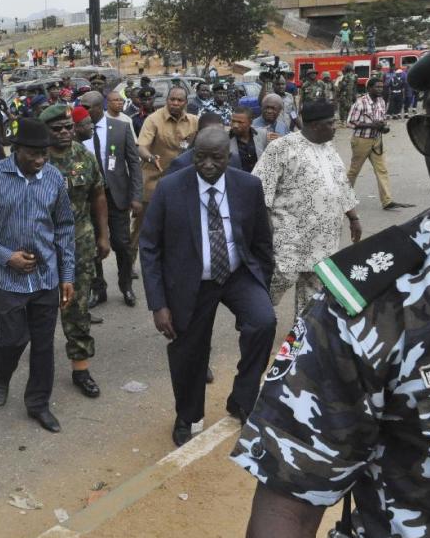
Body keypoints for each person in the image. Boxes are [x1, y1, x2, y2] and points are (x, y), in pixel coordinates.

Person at [234, 19, 430, 538]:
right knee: (273, 305)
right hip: (289, 244)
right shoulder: (371, 297)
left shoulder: (325, 153)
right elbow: (288, 502)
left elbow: (341, 190)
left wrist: (353, 217)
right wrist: (262, 238)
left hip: (322, 240)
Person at [140, 128, 275, 446]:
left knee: (263, 321)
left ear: (227, 157)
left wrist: (261, 284)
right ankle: (188, 415)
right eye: (201, 156)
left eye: (216, 157)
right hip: (191, 280)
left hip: (236, 274)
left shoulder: (248, 186)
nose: (208, 164)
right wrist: (158, 304)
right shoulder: (171, 188)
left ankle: (242, 399)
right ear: (192, 154)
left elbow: (261, 241)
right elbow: (149, 247)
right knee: (188, 350)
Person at [0, 118, 75, 433]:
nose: (39, 160)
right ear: (16, 150)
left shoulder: (53, 178)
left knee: (43, 345)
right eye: (32, 154)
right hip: (7, 280)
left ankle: (38, 404)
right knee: (12, 340)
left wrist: (67, 274)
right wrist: (5, 256)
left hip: (46, 278)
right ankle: (2, 373)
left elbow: (65, 227)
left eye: (44, 154)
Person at [252, 99, 361, 316]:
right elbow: (259, 191)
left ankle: (303, 334)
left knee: (315, 288)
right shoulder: (281, 148)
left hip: (324, 237)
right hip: (289, 235)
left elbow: (341, 184)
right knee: (282, 277)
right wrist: (264, 234)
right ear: (314, 126)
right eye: (330, 123)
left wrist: (354, 217)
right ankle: (255, 313)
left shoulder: (329, 149)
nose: (335, 128)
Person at [40, 104, 110, 398]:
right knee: (40, 309)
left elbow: (98, 195)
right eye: (58, 129)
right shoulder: (36, 159)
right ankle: (39, 370)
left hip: (79, 242)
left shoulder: (84, 156)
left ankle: (80, 368)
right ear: (46, 131)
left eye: (69, 127)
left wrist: (103, 236)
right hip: (41, 244)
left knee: (76, 307)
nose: (66, 132)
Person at [80, 92, 142, 309]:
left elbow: (134, 165)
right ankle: (98, 289)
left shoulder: (120, 129)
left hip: (117, 196)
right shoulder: (79, 132)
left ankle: (126, 286)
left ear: (100, 107)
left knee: (122, 244)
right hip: (90, 199)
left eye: (87, 107)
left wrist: (136, 196)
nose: (84, 111)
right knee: (94, 244)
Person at [134, 86, 198, 262]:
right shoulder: (153, 120)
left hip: (181, 182)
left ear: (185, 102)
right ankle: (128, 265)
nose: (175, 103)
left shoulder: (194, 121)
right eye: (172, 99)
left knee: (176, 226)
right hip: (154, 181)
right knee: (141, 227)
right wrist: (149, 157)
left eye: (179, 100)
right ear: (167, 99)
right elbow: (141, 147)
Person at [346, 77, 415, 211]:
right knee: (354, 171)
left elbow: (381, 120)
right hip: (361, 140)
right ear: (369, 88)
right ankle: (342, 198)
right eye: (377, 87)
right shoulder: (360, 102)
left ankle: (387, 201)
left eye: (381, 87)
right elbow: (350, 123)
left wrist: (384, 127)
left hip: (377, 140)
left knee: (382, 170)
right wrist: (372, 125)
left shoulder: (381, 102)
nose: (380, 89)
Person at [229, 106, 268, 172]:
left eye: (240, 122)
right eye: (233, 121)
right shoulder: (225, 139)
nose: (235, 125)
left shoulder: (262, 134)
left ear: (250, 122)